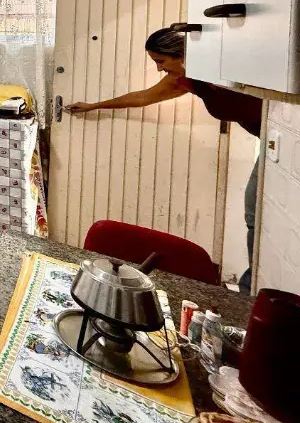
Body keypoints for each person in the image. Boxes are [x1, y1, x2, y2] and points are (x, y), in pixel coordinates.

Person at [65, 27, 261, 293]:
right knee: (255, 214)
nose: (159, 69)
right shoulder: (185, 80)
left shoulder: (227, 71)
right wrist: (93, 106)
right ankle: (252, 289)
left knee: (254, 212)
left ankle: (249, 291)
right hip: (271, 143)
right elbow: (142, 97)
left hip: (281, 141)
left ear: (182, 54)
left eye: (161, 61)